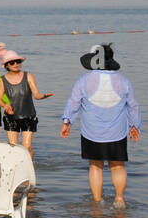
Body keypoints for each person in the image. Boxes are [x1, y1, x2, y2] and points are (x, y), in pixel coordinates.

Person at [60, 43, 141, 207]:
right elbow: (133, 105)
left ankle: (97, 202)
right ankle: (119, 198)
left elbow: (74, 102)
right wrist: (135, 126)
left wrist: (67, 121)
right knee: (117, 166)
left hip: (92, 131)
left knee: (95, 166)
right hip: (117, 131)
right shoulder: (123, 81)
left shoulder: (83, 81)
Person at [0, 52, 53, 156]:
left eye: (18, 61)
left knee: (27, 147)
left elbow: (36, 95)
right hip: (11, 117)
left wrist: (43, 96)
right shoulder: (2, 79)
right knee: (13, 147)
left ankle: (30, 168)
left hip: (28, 115)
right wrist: (5, 105)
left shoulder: (28, 75)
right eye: (12, 62)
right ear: (6, 65)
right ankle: (16, 169)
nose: (16, 64)